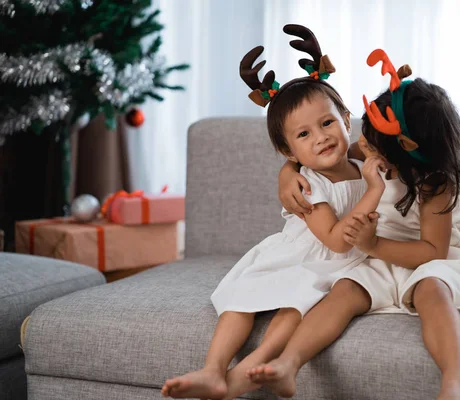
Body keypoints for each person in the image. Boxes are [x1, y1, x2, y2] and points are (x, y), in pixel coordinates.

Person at [161, 25, 387, 400]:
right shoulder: (307, 185)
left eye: (327, 122)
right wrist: (292, 174)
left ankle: (257, 364)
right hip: (307, 252)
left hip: (341, 265)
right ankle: (213, 368)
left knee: (297, 303)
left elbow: (385, 155)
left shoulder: (361, 158)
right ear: (289, 152)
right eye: (303, 135)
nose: (320, 137)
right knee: (241, 297)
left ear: (347, 119)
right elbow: (332, 238)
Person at [250, 49, 460, 400]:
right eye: (366, 133)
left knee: (432, 293)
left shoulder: (435, 183)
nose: (361, 144)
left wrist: (373, 245)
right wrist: (286, 173)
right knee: (343, 292)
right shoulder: (375, 149)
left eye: (372, 142)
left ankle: (455, 380)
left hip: (430, 261)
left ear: (404, 156)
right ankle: (289, 363)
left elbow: (432, 251)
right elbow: (319, 159)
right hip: (376, 258)